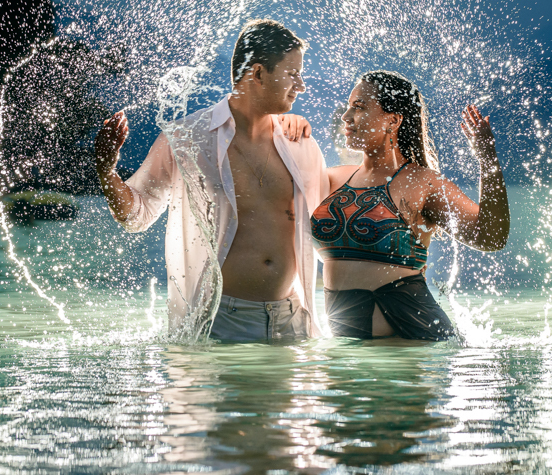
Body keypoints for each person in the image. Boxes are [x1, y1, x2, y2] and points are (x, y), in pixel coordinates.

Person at [94, 19, 328, 341]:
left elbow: (329, 228)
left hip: (292, 322)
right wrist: (106, 171)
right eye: (292, 74)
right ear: (258, 73)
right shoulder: (186, 138)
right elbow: (136, 215)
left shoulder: (300, 143)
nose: (301, 85)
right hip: (220, 324)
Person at [306, 70, 510, 340]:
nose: (346, 116)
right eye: (348, 106)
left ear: (393, 120)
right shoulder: (332, 179)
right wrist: (287, 125)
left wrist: (488, 160)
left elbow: (490, 237)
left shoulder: (423, 182)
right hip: (349, 351)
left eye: (359, 107)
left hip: (412, 342)